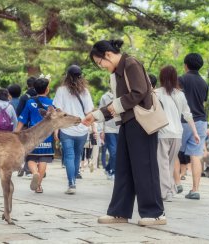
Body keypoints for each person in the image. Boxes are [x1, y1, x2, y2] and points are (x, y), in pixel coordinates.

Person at [83, 39, 165, 226]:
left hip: (142, 122)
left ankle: (155, 213)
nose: (101, 66)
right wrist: (96, 115)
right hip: (128, 122)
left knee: (145, 168)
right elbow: (119, 103)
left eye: (100, 62)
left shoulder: (131, 63)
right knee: (123, 168)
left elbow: (138, 92)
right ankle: (119, 212)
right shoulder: (118, 72)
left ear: (108, 55)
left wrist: (105, 112)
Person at [155, 65, 200, 202]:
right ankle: (169, 191)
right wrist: (195, 132)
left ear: (161, 77)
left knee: (161, 164)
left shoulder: (156, 93)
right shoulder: (180, 94)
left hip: (163, 133)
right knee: (168, 164)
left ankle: (164, 193)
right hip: (177, 134)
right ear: (175, 78)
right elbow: (188, 115)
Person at [53, 65, 95, 195]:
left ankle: (71, 184)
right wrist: (93, 128)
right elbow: (89, 111)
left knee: (69, 156)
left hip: (66, 128)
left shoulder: (61, 90)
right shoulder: (85, 91)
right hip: (82, 128)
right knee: (77, 156)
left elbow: (58, 111)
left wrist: (56, 129)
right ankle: (74, 180)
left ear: (67, 76)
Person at [177, 53, 208, 200]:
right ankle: (195, 190)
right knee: (196, 156)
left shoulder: (181, 79)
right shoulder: (204, 83)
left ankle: (175, 184)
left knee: (173, 152)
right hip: (201, 121)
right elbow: (203, 103)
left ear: (186, 65)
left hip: (184, 121)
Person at [15, 78, 53, 193]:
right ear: (47, 89)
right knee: (43, 160)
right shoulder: (52, 103)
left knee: (30, 157)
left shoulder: (30, 102)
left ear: (34, 89)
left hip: (32, 135)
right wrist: (56, 133)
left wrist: (15, 134)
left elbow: (22, 120)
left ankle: (35, 173)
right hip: (47, 135)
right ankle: (38, 186)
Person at [16, 77, 37, 177]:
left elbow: (18, 112)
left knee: (24, 148)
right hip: (37, 127)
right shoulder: (40, 96)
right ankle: (31, 169)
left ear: (27, 85)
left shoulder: (24, 97)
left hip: (25, 127)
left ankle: (25, 168)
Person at [99, 90, 119, 180]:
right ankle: (113, 172)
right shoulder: (104, 97)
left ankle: (107, 168)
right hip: (109, 128)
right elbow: (100, 114)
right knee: (113, 152)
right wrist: (101, 130)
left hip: (120, 128)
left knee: (118, 153)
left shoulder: (122, 94)